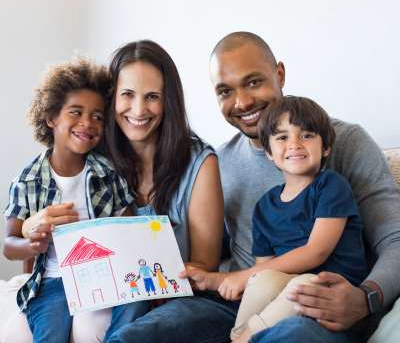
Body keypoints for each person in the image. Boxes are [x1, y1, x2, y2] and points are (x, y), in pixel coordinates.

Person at [182, 31, 400, 343]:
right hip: (246, 300)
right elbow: (216, 254)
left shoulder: (345, 144)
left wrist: (365, 298)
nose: (242, 102)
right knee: (158, 328)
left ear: (279, 74)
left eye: (254, 82)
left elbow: (395, 240)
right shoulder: (219, 163)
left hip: (325, 306)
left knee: (293, 333)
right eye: (225, 91)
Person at [8, 40, 224, 343]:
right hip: (90, 285)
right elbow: (36, 235)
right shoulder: (92, 156)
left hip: (166, 294)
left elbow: (204, 265)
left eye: (152, 97)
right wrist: (31, 226)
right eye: (127, 95)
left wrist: (149, 283)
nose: (138, 109)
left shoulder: (200, 162)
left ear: (168, 102)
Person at [2, 58, 134, 343]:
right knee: (50, 333)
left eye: (98, 116)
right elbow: (9, 245)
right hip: (51, 281)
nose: (87, 123)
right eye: (76, 112)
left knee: (124, 317)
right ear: (51, 118)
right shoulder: (27, 180)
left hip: (101, 276)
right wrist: (32, 244)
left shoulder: (107, 173)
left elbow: (130, 220)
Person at [228, 95, 368, 342]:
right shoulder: (264, 206)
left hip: (332, 295)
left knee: (303, 283)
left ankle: (249, 336)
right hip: (286, 296)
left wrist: (243, 274)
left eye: (306, 135)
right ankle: (238, 336)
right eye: (282, 137)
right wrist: (253, 276)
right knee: (263, 280)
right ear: (269, 152)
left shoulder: (331, 186)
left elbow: (316, 252)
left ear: (326, 147)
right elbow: (265, 268)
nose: (294, 144)